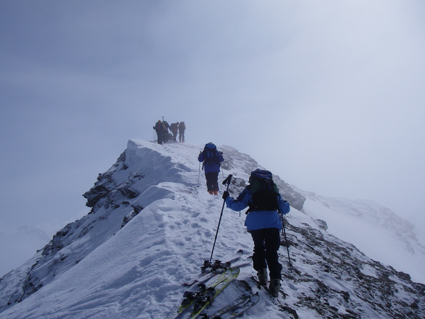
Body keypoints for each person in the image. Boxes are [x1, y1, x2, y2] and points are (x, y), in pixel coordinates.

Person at [222, 169, 290, 296]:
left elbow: (238, 206)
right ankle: (275, 283)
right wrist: (285, 203)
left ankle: (262, 275)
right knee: (272, 252)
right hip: (272, 223)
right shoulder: (273, 189)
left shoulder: (250, 189)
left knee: (259, 248)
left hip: (255, 224)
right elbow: (284, 209)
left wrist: (227, 199)